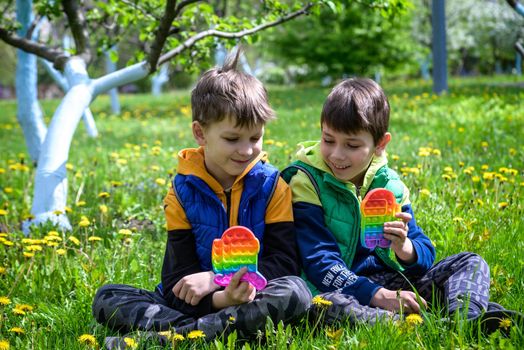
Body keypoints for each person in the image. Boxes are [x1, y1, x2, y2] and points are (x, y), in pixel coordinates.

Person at [92, 50, 311, 343]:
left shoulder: (273, 186)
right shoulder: (182, 192)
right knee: (108, 297)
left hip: (253, 292)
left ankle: (176, 338)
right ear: (200, 133)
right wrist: (219, 301)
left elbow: (284, 263)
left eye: (255, 138)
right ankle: (220, 329)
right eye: (232, 139)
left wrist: (220, 282)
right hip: (198, 301)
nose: (246, 151)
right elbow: (175, 281)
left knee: (295, 291)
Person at [282, 77, 521, 332]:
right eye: (328, 140)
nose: (337, 154)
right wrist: (379, 295)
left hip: (390, 283)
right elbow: (318, 260)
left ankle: (465, 319)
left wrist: (405, 247)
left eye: (352, 145)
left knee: (469, 262)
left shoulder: (390, 186)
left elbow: (425, 254)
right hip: (334, 287)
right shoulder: (306, 181)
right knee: (327, 307)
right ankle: (415, 324)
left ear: (380, 144)